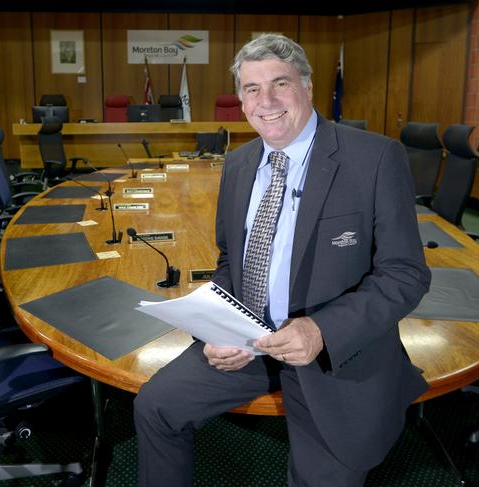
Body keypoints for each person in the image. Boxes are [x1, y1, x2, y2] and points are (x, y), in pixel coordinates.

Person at [134, 33, 430, 487]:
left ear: (307, 87)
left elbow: (405, 274)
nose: (266, 101)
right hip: (248, 341)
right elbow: (232, 258)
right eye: (252, 89)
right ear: (241, 99)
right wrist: (217, 329)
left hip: (333, 351)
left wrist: (321, 331)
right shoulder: (238, 164)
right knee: (156, 406)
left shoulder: (374, 158)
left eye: (280, 83)